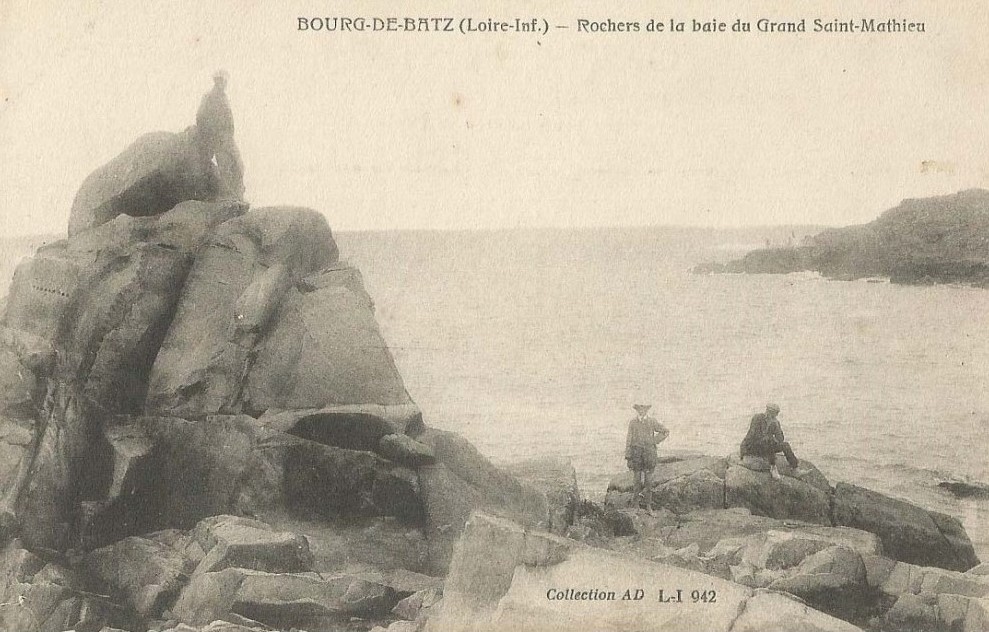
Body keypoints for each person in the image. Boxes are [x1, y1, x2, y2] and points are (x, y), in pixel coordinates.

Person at [196, 70, 245, 200]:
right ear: (216, 81)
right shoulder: (208, 97)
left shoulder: (224, 97)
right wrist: (210, 135)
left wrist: (230, 133)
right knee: (225, 167)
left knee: (239, 165)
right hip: (217, 138)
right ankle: (228, 196)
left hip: (227, 137)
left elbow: (229, 118)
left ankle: (237, 194)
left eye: (224, 81)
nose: (223, 84)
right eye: (221, 81)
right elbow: (200, 117)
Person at [625, 404, 669, 512]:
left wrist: (654, 441)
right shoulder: (633, 423)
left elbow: (665, 431)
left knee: (648, 482)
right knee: (636, 481)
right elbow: (628, 439)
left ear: (647, 410)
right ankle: (636, 506)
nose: (641, 411)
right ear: (637, 410)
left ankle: (648, 506)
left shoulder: (652, 421)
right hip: (636, 455)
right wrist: (628, 456)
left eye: (643, 408)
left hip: (649, 455)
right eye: (639, 408)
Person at [740, 403, 800, 480]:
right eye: (772, 413)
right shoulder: (757, 418)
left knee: (785, 445)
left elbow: (781, 439)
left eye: (775, 414)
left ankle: (795, 468)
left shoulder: (775, 422)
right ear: (767, 411)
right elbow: (753, 435)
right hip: (751, 446)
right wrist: (770, 438)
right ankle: (773, 467)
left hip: (766, 446)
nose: (774, 416)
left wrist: (777, 427)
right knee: (769, 441)